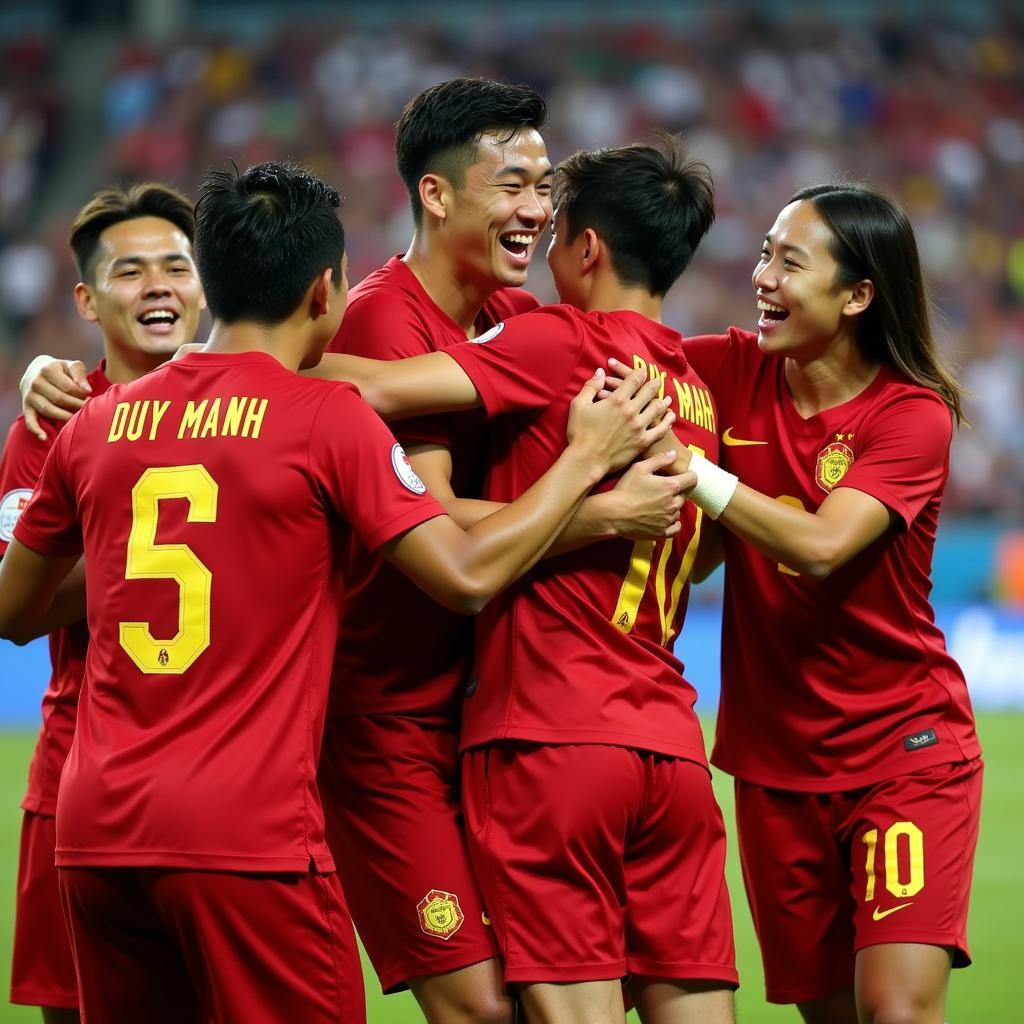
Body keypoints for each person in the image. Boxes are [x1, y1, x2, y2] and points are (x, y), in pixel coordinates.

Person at [0, 159, 672, 1024]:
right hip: (249, 837)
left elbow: (13, 614)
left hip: (93, 836)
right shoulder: (324, 419)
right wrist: (584, 466)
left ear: (211, 280)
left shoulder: (95, 424)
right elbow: (465, 578)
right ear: (327, 290)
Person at [308, 135, 737, 1024]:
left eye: (552, 205)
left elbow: (369, 392)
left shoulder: (554, 340)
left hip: (550, 736)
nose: (538, 225)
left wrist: (199, 365)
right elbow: (698, 550)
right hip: (673, 741)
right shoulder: (696, 391)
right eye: (518, 186)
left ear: (587, 249)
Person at [616, 182, 981, 1024]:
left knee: (895, 1011)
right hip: (774, 768)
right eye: (764, 254)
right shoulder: (729, 369)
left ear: (858, 295)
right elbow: (608, 354)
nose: (763, 277)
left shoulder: (910, 414)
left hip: (903, 750)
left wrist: (693, 470)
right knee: (831, 1015)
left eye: (791, 261)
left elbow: (821, 548)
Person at [0, 181, 204, 1023]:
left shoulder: (268, 402)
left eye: (177, 266)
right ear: (86, 298)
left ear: (204, 286)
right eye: (131, 271)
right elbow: (18, 611)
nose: (158, 285)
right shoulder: (47, 428)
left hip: (232, 771)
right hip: (78, 772)